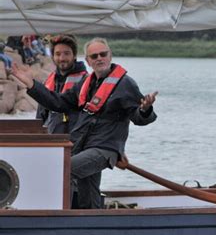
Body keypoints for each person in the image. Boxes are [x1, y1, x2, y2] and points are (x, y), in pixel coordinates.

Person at [12, 37, 158, 209]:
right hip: (84, 146)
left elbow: (138, 117)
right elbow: (58, 103)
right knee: (87, 193)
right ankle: (92, 226)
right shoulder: (85, 84)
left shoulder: (125, 84)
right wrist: (32, 85)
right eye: (94, 56)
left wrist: (145, 109)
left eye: (103, 54)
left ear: (110, 56)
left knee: (64, 169)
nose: (99, 59)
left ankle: (55, 216)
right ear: (88, 61)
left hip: (104, 148)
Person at [37, 34, 88, 134]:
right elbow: (40, 117)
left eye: (66, 53)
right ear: (52, 56)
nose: (62, 58)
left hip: (76, 141)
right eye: (58, 54)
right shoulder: (48, 82)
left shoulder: (86, 81)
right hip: (52, 140)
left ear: (74, 55)